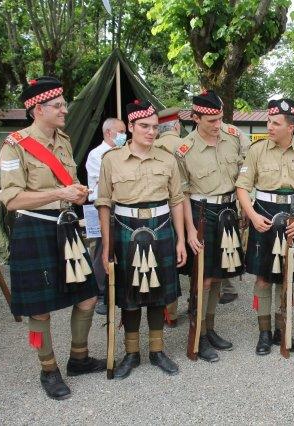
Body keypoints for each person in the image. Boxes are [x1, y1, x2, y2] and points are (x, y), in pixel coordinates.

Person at [0, 76, 103, 400]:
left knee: (88, 296)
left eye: (63, 104)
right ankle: (48, 369)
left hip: (66, 226)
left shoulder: (64, 140)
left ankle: (79, 359)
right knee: (40, 308)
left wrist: (77, 192)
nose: (64, 110)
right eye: (58, 105)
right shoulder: (14, 145)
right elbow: (12, 199)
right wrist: (60, 193)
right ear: (38, 109)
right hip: (34, 229)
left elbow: (68, 183)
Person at [96, 99, 187, 379]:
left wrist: (181, 239)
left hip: (161, 227)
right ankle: (131, 353)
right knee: (130, 296)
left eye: (155, 127)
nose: (151, 132)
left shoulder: (168, 159)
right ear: (131, 126)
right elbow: (104, 203)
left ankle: (157, 351)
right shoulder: (111, 159)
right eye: (144, 126)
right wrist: (107, 246)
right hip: (126, 228)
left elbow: (176, 200)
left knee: (158, 294)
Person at [236, 98, 294, 356]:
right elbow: (242, 187)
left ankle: (283, 329)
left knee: (288, 276)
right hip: (263, 215)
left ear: (290, 127)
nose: (269, 127)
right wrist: (252, 216)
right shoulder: (256, 150)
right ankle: (264, 333)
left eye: (275, 123)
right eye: (269, 122)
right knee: (263, 277)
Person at [176, 90, 243, 362]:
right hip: (201, 213)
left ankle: (210, 327)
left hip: (228, 211)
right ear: (195, 118)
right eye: (211, 121)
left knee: (219, 274)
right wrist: (190, 230)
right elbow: (181, 194)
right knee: (202, 276)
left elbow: (247, 170)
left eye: (220, 118)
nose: (218, 125)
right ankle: (199, 334)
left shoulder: (233, 137)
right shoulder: (184, 149)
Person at [86, 117, 127, 315]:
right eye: (121, 132)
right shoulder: (97, 155)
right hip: (104, 207)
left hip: (122, 207)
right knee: (103, 248)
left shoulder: (124, 151)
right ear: (108, 132)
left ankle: (119, 288)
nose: (124, 135)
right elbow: (104, 185)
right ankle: (102, 293)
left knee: (121, 248)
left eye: (125, 132)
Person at [153, 107, 186, 327]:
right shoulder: (185, 145)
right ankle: (175, 311)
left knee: (159, 262)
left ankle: (164, 312)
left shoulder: (151, 146)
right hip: (185, 207)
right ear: (176, 125)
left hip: (160, 212)